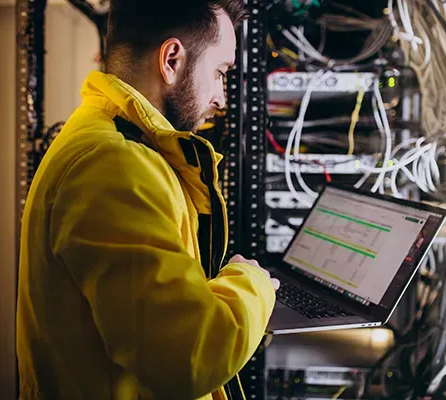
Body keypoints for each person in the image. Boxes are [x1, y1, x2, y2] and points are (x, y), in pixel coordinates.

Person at [16, 0, 280, 399]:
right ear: (171, 59)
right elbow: (189, 355)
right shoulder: (113, 165)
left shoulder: (113, 141)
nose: (222, 98)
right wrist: (254, 283)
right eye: (220, 73)